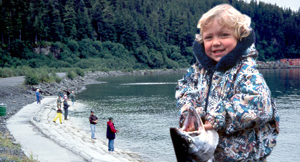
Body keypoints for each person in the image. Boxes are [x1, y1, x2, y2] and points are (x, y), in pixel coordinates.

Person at [175, 4, 279, 161]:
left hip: (244, 158)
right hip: (212, 154)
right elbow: (185, 87)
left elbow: (260, 106)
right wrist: (189, 110)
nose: (216, 42)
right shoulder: (198, 70)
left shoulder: (246, 71)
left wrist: (217, 117)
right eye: (209, 38)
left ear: (239, 38)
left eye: (224, 35)